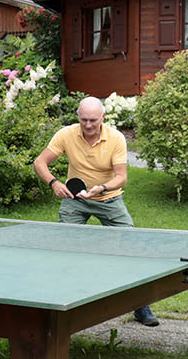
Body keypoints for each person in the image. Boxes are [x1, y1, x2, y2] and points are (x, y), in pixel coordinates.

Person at [31, 96, 160, 327]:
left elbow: (121, 178)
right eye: (83, 120)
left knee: (130, 245)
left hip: (108, 198)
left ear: (103, 118)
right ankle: (62, 302)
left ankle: (141, 306)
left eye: (92, 120)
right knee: (63, 248)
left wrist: (100, 188)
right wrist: (54, 183)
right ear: (78, 118)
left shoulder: (116, 138)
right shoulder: (66, 134)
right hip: (75, 198)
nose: (88, 125)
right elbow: (40, 162)